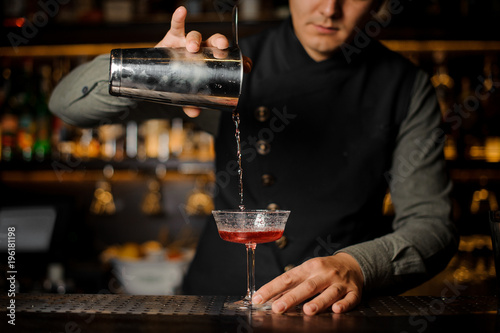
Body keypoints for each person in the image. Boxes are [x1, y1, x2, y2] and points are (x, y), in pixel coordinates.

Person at [49, 0, 458, 316]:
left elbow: (433, 225)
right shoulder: (228, 66)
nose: (330, 9)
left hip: (332, 312)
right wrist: (152, 66)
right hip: (214, 303)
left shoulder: (405, 87)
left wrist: (358, 265)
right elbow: (67, 104)